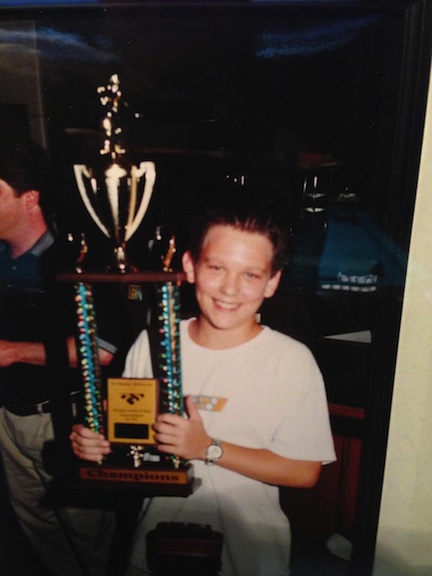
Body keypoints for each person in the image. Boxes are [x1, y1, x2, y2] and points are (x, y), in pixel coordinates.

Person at [71, 204, 336, 576]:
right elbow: (129, 438)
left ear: (272, 282)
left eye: (250, 274)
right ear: (191, 266)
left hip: (250, 557)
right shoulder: (152, 344)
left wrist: (207, 448)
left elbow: (304, 471)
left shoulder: (291, 361)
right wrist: (97, 444)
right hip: (152, 551)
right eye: (217, 268)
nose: (230, 288)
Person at [0, 137, 118, 576]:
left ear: (29, 197)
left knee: (89, 536)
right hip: (6, 420)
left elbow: (103, 351)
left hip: (62, 422)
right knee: (40, 530)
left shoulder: (76, 261)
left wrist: (15, 352)